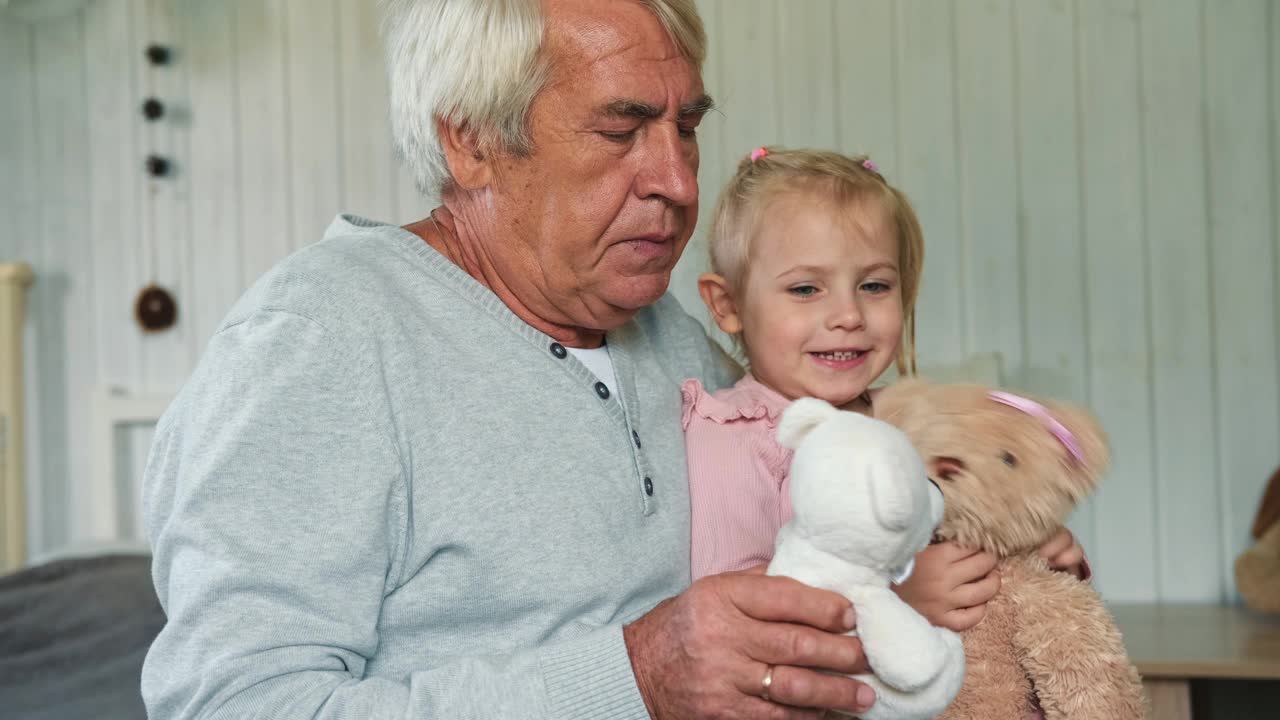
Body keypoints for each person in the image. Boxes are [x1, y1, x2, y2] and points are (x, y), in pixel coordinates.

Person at [142, 2, 884, 718]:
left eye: (685, 127)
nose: (679, 181)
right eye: (620, 130)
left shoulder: (664, 328)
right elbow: (234, 704)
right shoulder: (318, 339)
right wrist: (637, 680)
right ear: (470, 143)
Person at [683, 148, 1089, 633]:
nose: (849, 316)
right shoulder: (734, 438)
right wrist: (890, 598)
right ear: (727, 304)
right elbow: (732, 603)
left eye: (874, 286)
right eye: (806, 290)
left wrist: (1035, 553)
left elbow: (975, 521)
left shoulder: (916, 421)